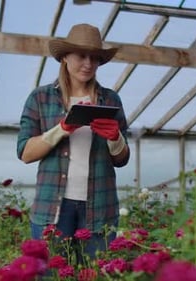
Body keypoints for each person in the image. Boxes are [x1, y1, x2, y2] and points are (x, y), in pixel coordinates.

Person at [16, 23, 130, 264]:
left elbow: (122, 160)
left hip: (100, 206)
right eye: (81, 55)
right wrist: (63, 128)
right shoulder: (41, 98)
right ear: (65, 57)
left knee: (96, 272)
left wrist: (115, 138)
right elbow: (25, 152)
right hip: (53, 208)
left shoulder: (110, 99)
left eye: (94, 57)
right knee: (50, 274)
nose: (88, 63)